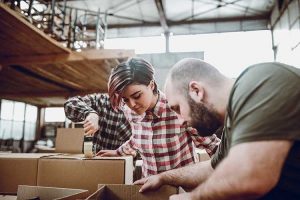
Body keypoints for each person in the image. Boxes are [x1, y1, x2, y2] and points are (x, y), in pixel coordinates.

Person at [135, 58, 300, 200]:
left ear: (196, 91)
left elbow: (251, 177)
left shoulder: (259, 82)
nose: (180, 121)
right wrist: (164, 177)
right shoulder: (232, 121)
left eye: (178, 108)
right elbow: (212, 168)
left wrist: (192, 198)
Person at [97, 57, 220, 178]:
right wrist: (118, 152)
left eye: (137, 96)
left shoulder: (177, 107)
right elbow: (137, 138)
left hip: (182, 187)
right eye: (125, 99)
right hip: (150, 188)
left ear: (151, 85)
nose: (132, 104)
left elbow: (211, 144)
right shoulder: (129, 110)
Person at [64, 93, 132, 153]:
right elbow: (70, 104)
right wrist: (90, 113)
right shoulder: (98, 100)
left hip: (120, 164)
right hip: (89, 163)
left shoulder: (135, 112)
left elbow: (138, 147)